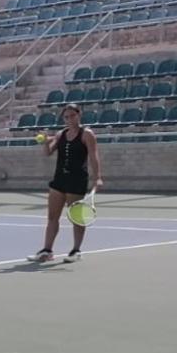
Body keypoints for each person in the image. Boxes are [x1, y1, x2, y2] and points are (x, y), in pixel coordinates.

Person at [29, 103, 104, 264]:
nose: (69, 119)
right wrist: (44, 142)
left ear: (79, 115)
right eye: (66, 117)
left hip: (77, 180)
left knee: (76, 217)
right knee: (52, 217)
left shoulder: (87, 134)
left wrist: (98, 177)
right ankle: (47, 251)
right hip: (59, 180)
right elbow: (48, 153)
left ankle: (76, 250)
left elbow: (93, 156)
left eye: (72, 116)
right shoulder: (60, 134)